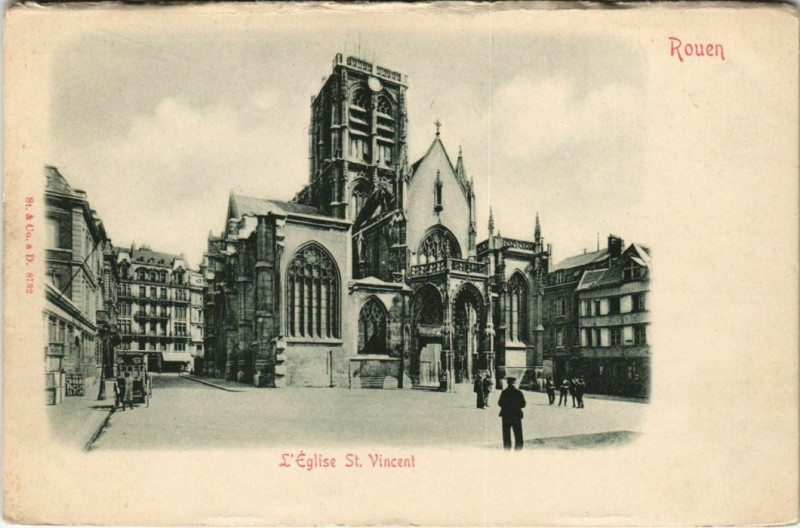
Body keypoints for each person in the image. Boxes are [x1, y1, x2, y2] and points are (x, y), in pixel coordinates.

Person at [498, 376, 526, 450]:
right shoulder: (519, 392)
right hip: (516, 415)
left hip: (506, 415)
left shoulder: (504, 392)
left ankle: (507, 449)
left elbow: (500, 403)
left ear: (507, 383)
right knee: (518, 433)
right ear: (515, 383)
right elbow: (523, 404)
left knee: (506, 434)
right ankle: (518, 450)